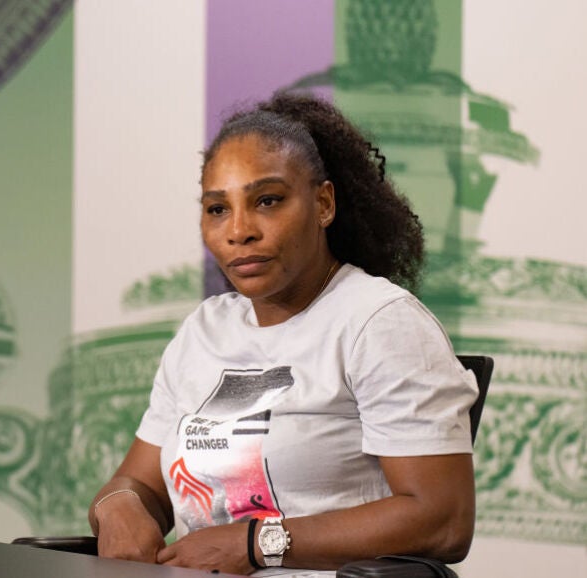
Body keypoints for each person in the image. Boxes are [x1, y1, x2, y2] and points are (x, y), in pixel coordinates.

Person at [87, 92, 478, 577]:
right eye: (217, 209)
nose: (239, 231)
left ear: (323, 204)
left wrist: (256, 543)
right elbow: (138, 484)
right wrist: (118, 505)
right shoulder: (203, 332)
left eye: (267, 201)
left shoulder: (379, 323)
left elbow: (442, 519)